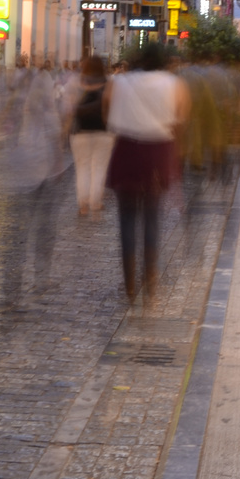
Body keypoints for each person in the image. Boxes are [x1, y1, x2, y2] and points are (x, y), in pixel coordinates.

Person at [105, 44, 189, 302]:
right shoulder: (175, 84)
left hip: (127, 149)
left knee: (127, 218)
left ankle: (130, 282)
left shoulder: (119, 82)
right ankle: (150, 277)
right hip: (158, 151)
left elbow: (105, 111)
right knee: (152, 216)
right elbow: (182, 116)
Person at [69, 56, 113, 215]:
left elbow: (68, 107)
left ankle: (83, 204)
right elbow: (111, 106)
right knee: (99, 167)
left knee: (82, 167)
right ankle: (96, 202)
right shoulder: (109, 83)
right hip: (103, 131)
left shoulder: (76, 82)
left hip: (80, 132)